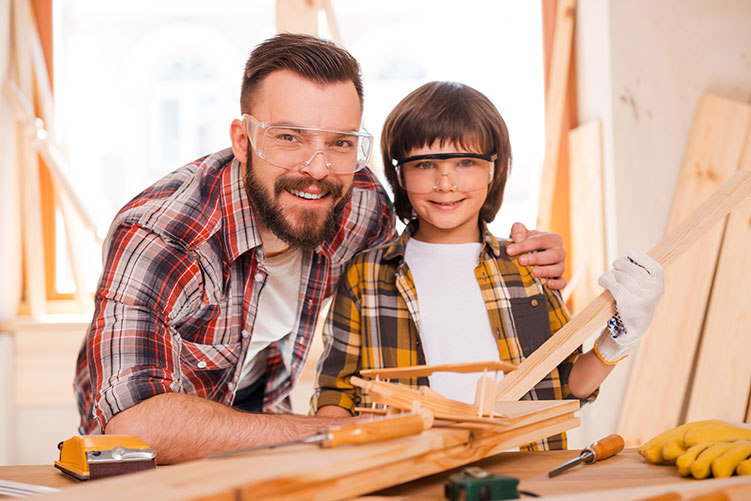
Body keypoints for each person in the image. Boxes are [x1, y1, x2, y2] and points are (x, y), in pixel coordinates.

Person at [74, 34, 568, 464]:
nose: (317, 168)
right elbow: (135, 425)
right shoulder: (161, 237)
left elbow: (441, 228)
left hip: (270, 417)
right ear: (242, 141)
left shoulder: (361, 205)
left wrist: (525, 256)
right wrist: (337, 432)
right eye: (289, 137)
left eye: (339, 142)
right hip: (164, 436)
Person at [313, 81, 664, 451]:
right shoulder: (365, 276)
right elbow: (335, 393)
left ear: (494, 170)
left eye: (466, 162)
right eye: (425, 164)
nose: (445, 183)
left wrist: (621, 335)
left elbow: (570, 385)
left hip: (527, 473)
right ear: (400, 174)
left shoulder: (527, 266)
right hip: (410, 473)